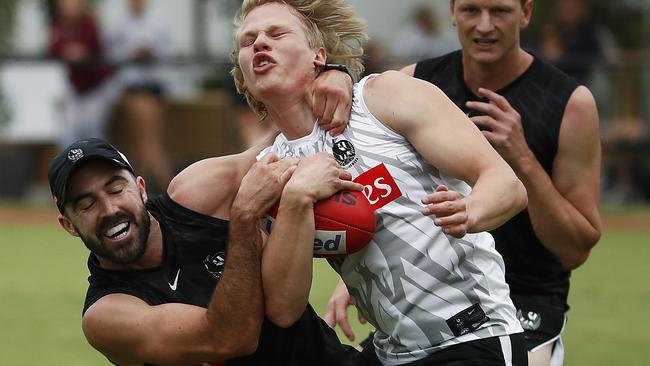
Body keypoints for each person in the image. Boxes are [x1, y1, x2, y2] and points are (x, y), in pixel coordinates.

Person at [230, 1, 529, 365]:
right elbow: (283, 310)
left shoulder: (382, 99)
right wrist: (295, 198)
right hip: (391, 353)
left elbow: (506, 185)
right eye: (249, 41)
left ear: (318, 56)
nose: (260, 43)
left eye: (277, 34)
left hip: (472, 339)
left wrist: (470, 210)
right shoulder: (269, 172)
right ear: (242, 77)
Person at [323, 1, 602, 365]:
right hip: (438, 299)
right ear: (452, 12)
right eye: (471, 10)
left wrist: (522, 160)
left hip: (524, 302)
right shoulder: (412, 83)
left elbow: (575, 249)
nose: (484, 26)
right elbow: (384, 192)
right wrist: (353, 279)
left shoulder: (570, 102)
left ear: (526, 13)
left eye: (500, 11)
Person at [48, 136, 373, 365]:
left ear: (141, 188)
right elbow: (230, 339)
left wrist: (333, 76)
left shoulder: (197, 197)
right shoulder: (107, 314)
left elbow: (288, 136)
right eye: (86, 205)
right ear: (70, 225)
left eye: (116, 189)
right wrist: (245, 216)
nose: (109, 209)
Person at [106, 0, 174, 192]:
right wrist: (131, 53)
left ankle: (136, 191)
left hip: (154, 87)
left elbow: (169, 51)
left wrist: (152, 52)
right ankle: (169, 189)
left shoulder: (158, 23)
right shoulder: (118, 25)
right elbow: (110, 55)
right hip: (134, 88)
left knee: (146, 143)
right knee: (149, 142)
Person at [48, 0, 120, 149]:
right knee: (68, 133)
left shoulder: (90, 23)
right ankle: (72, 170)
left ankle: (98, 170)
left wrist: (82, 53)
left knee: (93, 133)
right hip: (76, 87)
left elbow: (98, 50)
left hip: (97, 86)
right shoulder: (59, 25)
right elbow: (52, 50)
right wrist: (67, 52)